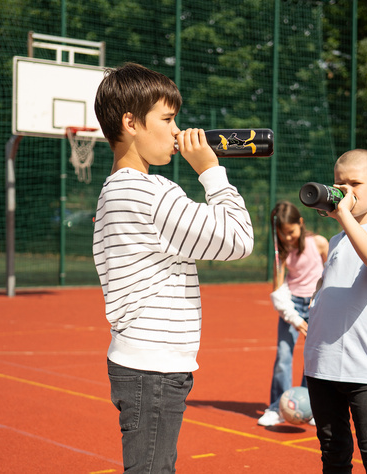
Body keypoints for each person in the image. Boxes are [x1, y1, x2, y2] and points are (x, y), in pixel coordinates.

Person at [92, 62, 254, 473]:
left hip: (146, 363)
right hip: (154, 367)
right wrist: (211, 170)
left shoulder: (116, 190)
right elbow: (239, 239)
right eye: (167, 119)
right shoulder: (148, 193)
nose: (178, 131)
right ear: (131, 122)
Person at [304, 149, 367, 473]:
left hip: (363, 369)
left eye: (355, 184)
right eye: (339, 184)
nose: (346, 192)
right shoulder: (336, 239)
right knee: (333, 455)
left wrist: (344, 216)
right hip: (321, 365)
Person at [258, 201, 328, 427]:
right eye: (282, 233)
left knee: (316, 358)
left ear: (301, 223)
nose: (287, 238)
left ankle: (315, 406)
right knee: (283, 356)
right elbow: (277, 291)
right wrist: (296, 319)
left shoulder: (318, 244)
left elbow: (331, 274)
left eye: (291, 232)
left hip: (317, 306)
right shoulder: (282, 254)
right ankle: (276, 408)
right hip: (292, 306)